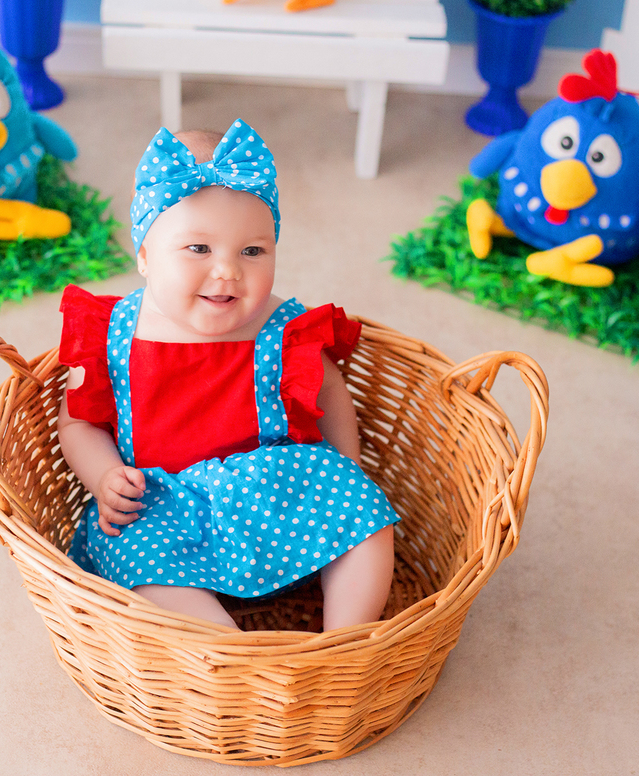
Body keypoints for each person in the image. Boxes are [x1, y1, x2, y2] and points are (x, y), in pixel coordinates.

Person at [56, 119, 398, 631]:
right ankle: (228, 646)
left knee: (367, 516)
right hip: (160, 504)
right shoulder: (113, 333)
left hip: (270, 489)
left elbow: (331, 391)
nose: (228, 271)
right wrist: (104, 476)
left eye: (253, 251)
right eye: (199, 249)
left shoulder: (281, 327)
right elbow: (76, 422)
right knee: (128, 551)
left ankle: (345, 637)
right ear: (145, 256)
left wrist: (345, 469)